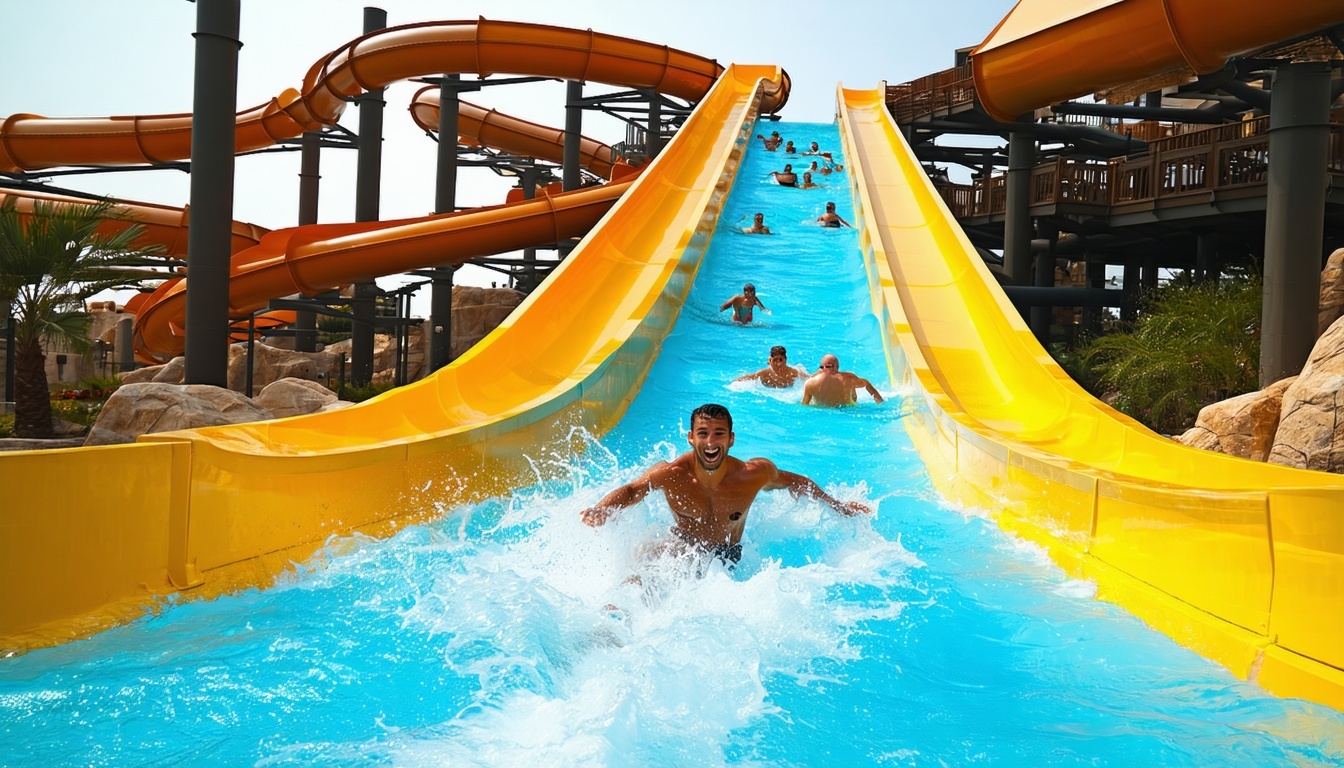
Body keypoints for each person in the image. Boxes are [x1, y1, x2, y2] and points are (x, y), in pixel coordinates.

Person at [579, 403, 871, 567]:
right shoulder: (671, 474)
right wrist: (602, 508)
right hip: (681, 549)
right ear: (691, 438)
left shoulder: (753, 474)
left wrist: (839, 506)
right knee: (639, 580)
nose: (710, 442)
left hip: (728, 556)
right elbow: (632, 490)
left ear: (731, 439)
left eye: (719, 433)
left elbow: (797, 482)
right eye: (703, 433)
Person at [802, 354, 884, 406]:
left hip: (822, 412)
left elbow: (805, 405)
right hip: (847, 410)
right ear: (836, 367)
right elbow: (866, 383)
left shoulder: (810, 383)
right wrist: (877, 397)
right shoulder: (849, 378)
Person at [735, 345, 808, 388]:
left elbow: (809, 379)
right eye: (775, 360)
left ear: (785, 360)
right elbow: (748, 378)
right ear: (770, 360)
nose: (778, 364)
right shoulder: (764, 374)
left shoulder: (793, 373)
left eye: (781, 360)